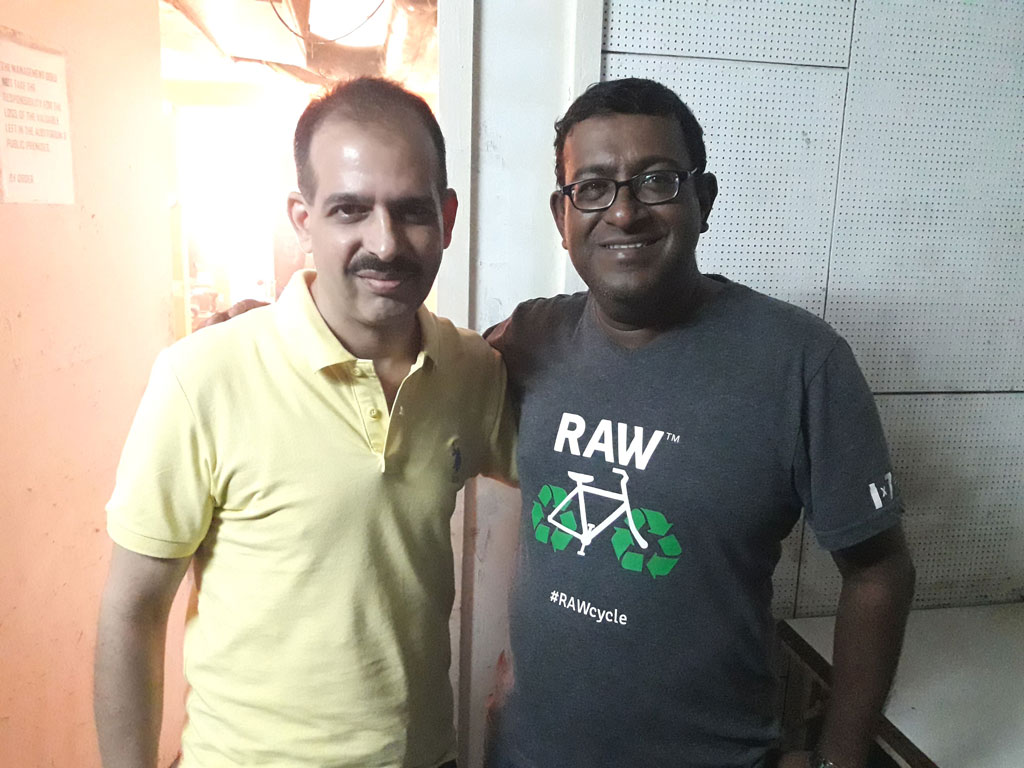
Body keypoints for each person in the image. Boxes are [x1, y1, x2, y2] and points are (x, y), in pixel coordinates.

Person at [484, 78, 915, 768]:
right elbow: (418, 379)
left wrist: (840, 759)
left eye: (656, 180)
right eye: (592, 188)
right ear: (562, 216)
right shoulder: (529, 337)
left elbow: (879, 570)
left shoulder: (801, 363)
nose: (624, 212)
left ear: (703, 200)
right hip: (527, 754)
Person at [94, 78, 515, 768]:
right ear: (302, 219)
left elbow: (581, 476)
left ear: (446, 218)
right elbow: (133, 611)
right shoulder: (202, 377)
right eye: (350, 210)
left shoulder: (472, 372)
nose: (385, 243)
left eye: (411, 211)